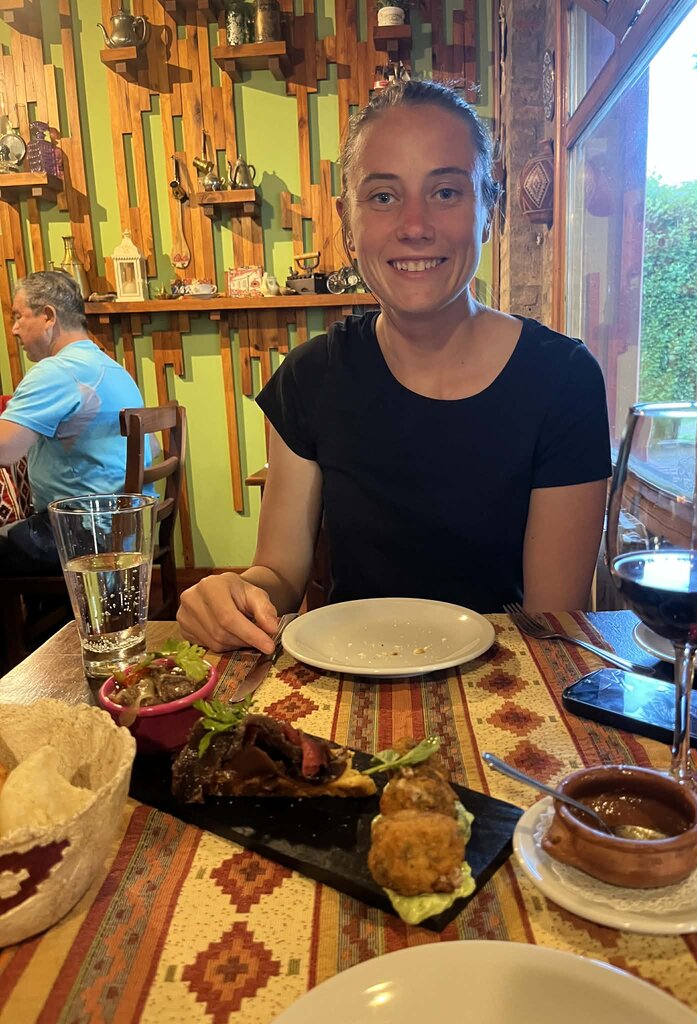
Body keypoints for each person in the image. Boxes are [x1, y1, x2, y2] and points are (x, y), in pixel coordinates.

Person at [178, 80, 611, 654]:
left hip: (508, 683)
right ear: (347, 223)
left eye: (446, 192)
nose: (414, 225)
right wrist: (234, 594)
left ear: (489, 212)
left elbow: (552, 623)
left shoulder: (564, 380)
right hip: (347, 682)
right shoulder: (311, 378)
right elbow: (279, 574)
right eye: (383, 197)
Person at [0, 271, 147, 575]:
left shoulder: (58, 371)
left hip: (83, 532)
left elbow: (4, 450)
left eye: (18, 316)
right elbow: (152, 448)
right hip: (126, 527)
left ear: (48, 316)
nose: (13, 329)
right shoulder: (112, 369)